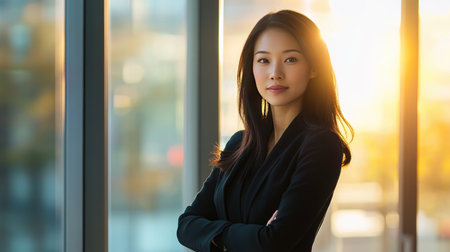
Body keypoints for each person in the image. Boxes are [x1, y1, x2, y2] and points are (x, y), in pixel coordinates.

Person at [177, 9, 353, 252]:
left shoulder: (321, 145)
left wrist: (215, 231)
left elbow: (274, 242)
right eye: (263, 60)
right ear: (251, 67)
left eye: (290, 59)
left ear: (314, 67)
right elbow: (186, 225)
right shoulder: (239, 143)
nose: (275, 73)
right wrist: (251, 235)